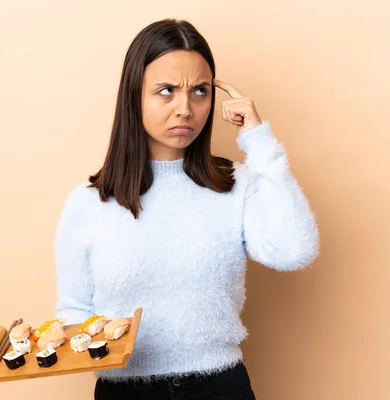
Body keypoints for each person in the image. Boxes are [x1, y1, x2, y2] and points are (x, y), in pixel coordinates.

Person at [53, 18, 320, 400]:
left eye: (199, 91)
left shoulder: (236, 183)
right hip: (125, 392)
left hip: (220, 388)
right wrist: (91, 344)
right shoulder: (89, 202)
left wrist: (260, 143)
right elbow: (73, 309)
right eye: (166, 91)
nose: (186, 108)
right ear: (134, 95)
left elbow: (295, 251)